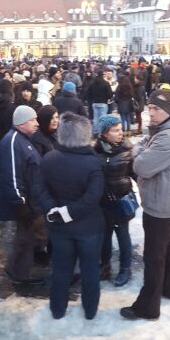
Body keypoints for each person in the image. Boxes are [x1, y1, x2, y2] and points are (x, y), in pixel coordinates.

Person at [121, 89, 170, 321]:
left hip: (161, 202)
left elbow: (141, 165)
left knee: (154, 255)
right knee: (168, 245)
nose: (150, 113)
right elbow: (144, 145)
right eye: (150, 108)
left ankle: (147, 307)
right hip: (167, 197)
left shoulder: (169, 136)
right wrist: (144, 147)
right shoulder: (164, 130)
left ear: (169, 111)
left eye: (156, 109)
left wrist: (140, 150)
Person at [39, 113, 105, 319]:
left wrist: (55, 211)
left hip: (60, 228)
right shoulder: (93, 163)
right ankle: (90, 310)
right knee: (90, 270)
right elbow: (93, 196)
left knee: (61, 269)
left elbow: (39, 189)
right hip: (89, 227)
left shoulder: (48, 158)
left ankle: (58, 309)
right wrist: (68, 212)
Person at [0, 105, 53, 285]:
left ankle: (23, 266)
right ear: (22, 122)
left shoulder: (23, 138)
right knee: (24, 237)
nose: (37, 124)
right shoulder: (13, 141)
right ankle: (18, 273)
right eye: (33, 120)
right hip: (24, 203)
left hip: (32, 201)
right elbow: (11, 176)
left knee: (30, 235)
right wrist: (20, 204)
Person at [95, 114, 135, 287]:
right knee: (104, 236)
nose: (121, 133)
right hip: (102, 202)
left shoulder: (128, 149)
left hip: (120, 200)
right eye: (115, 130)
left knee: (123, 234)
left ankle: (125, 268)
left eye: (121, 129)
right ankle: (105, 265)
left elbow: (136, 173)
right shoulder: (95, 150)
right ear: (104, 133)